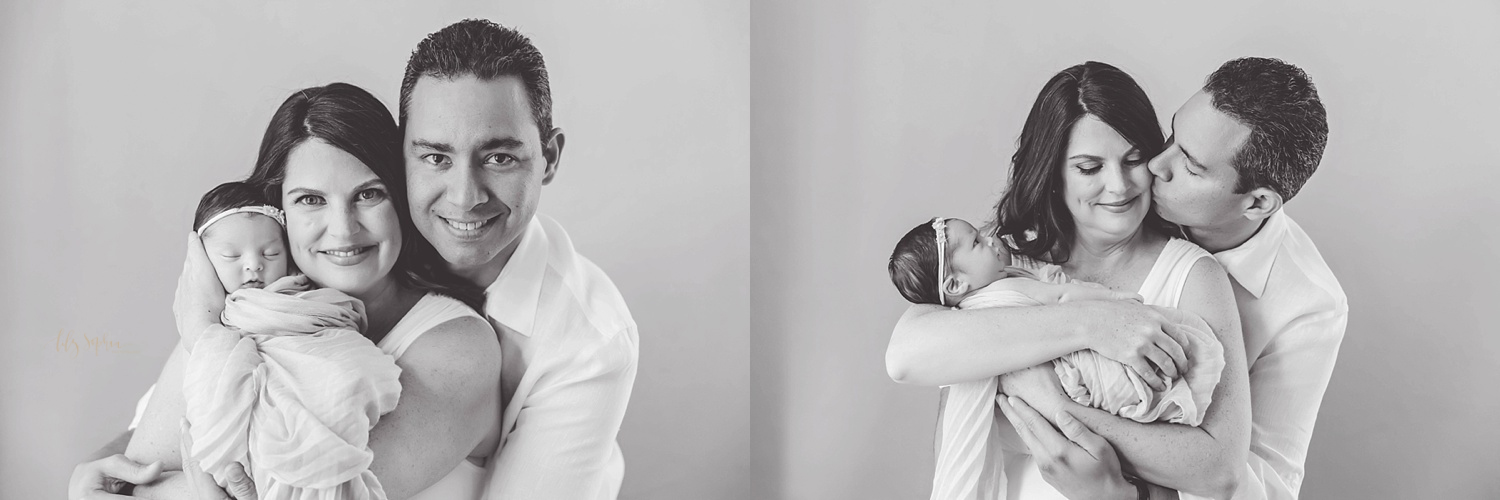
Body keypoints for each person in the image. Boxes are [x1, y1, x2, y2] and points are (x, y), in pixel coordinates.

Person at [70, 83, 502, 500]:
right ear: (279, 213)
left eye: (369, 194)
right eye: (310, 200)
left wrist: (203, 332)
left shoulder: (459, 349)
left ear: (402, 200)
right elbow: (129, 477)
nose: (343, 228)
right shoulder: (259, 316)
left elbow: (313, 493)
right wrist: (95, 472)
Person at [886, 61, 1252, 500]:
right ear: (1054, 174)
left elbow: (1218, 471)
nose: (1118, 186)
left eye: (1133, 160)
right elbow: (905, 358)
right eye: (1089, 167)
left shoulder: (1192, 275)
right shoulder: (1002, 266)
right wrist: (1093, 324)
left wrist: (1060, 409)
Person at [397, 19, 639, 499]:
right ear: (400, 155)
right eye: (435, 158)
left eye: (499, 158)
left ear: (549, 157)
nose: (464, 197)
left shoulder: (590, 341)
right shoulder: (355, 239)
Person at [888, 216, 1226, 500]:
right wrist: (1111, 303)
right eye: (977, 242)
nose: (990, 238)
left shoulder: (972, 319)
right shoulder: (984, 309)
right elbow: (1065, 296)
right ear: (955, 284)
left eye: (1133, 160)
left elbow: (1220, 474)